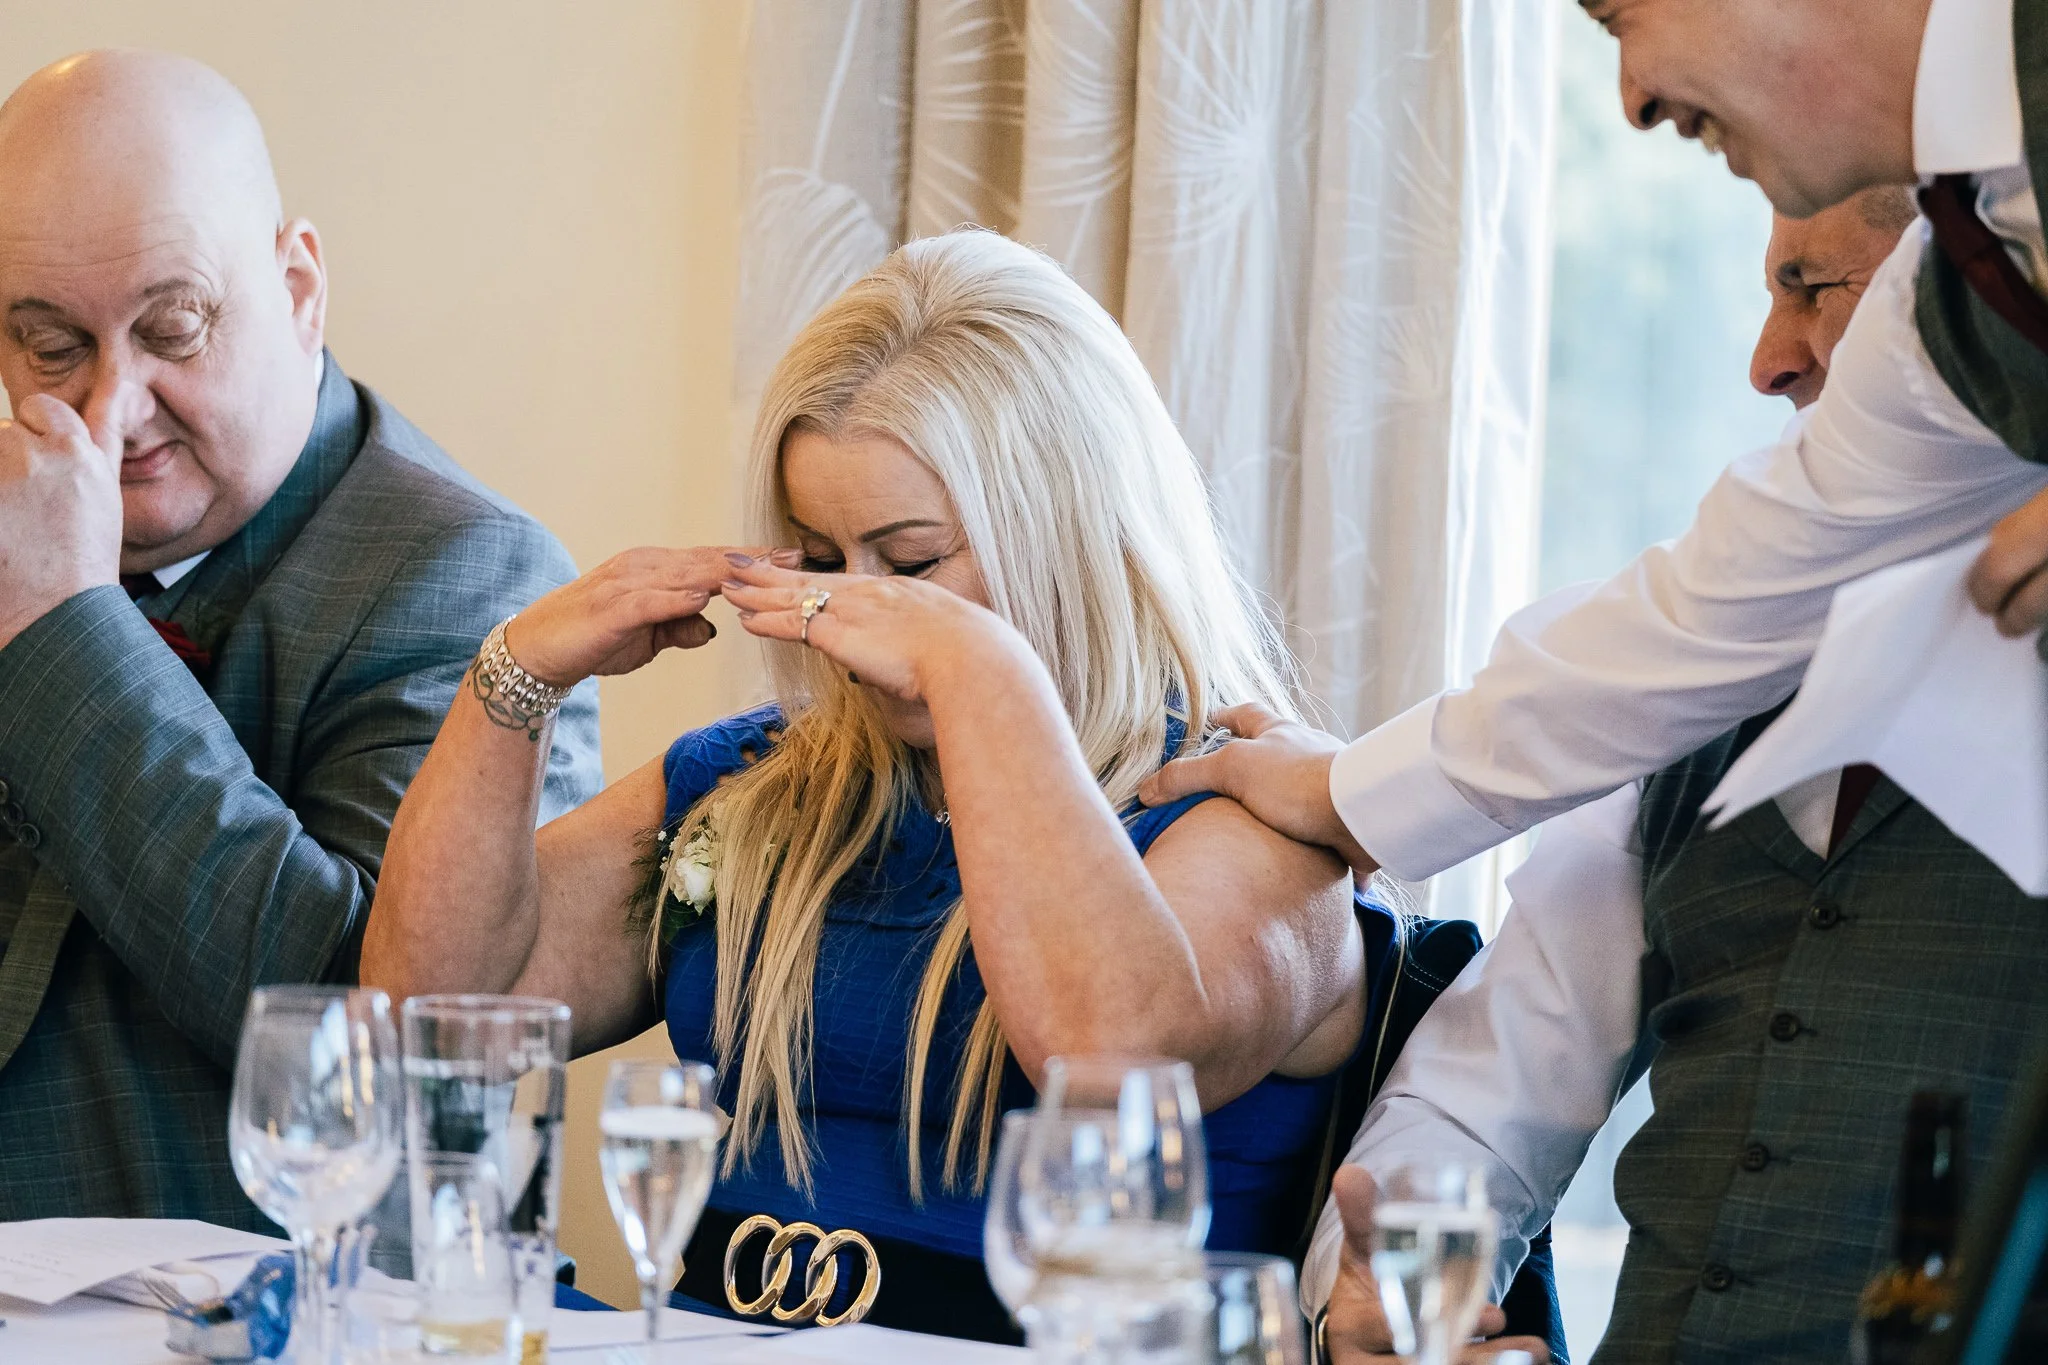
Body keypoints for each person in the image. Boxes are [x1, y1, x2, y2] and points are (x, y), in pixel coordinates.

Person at [363, 229, 1385, 1342]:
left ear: (1064, 533)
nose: (846, 615)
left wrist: (979, 676)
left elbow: (1108, 1062)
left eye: (909, 564)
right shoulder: (754, 779)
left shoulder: (1249, 814)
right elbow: (430, 1016)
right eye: (818, 558)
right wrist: (514, 676)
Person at [1304, 188, 2048, 1365]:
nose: (1766, 362)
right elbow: (1497, 1084)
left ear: (1982, 307)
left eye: (1811, 288)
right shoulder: (1671, 691)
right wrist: (1394, 1290)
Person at [1141, 0, 2048, 904]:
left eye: (1618, 18)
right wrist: (1342, 793)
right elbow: (1716, 607)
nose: (1633, 101)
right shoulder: (1947, 299)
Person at [0, 51, 602, 1227]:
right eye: (52, 347)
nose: (114, 411)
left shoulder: (474, 577)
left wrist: (61, 626)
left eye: (173, 328)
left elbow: (363, 1036)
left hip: (273, 1296)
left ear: (298, 288)